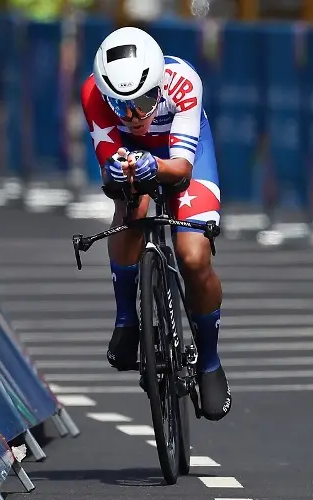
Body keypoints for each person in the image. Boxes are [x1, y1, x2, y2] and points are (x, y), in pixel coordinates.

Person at [80, 26, 231, 421]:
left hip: (182, 153)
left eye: (145, 100)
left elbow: (180, 170)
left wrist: (154, 165)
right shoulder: (92, 94)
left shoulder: (183, 81)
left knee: (193, 256)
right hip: (132, 155)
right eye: (121, 105)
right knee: (131, 208)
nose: (134, 115)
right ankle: (128, 317)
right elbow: (112, 177)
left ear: (158, 82)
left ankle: (210, 361)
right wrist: (120, 171)